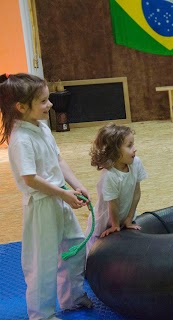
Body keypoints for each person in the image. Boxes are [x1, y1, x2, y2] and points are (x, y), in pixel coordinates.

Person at [0, 73, 93, 319]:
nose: (50, 104)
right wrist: (64, 194)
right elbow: (30, 178)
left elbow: (58, 160)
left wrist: (77, 185)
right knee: (42, 263)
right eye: (43, 101)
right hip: (41, 206)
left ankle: (72, 298)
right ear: (21, 107)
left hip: (59, 198)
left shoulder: (41, 127)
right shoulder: (21, 139)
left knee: (75, 248)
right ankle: (42, 314)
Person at [85, 123, 147, 255]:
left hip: (123, 214)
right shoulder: (110, 176)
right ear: (115, 151)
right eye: (129, 146)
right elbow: (113, 203)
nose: (135, 149)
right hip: (104, 221)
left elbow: (136, 193)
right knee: (91, 254)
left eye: (133, 144)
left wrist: (129, 218)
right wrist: (115, 225)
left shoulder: (136, 163)